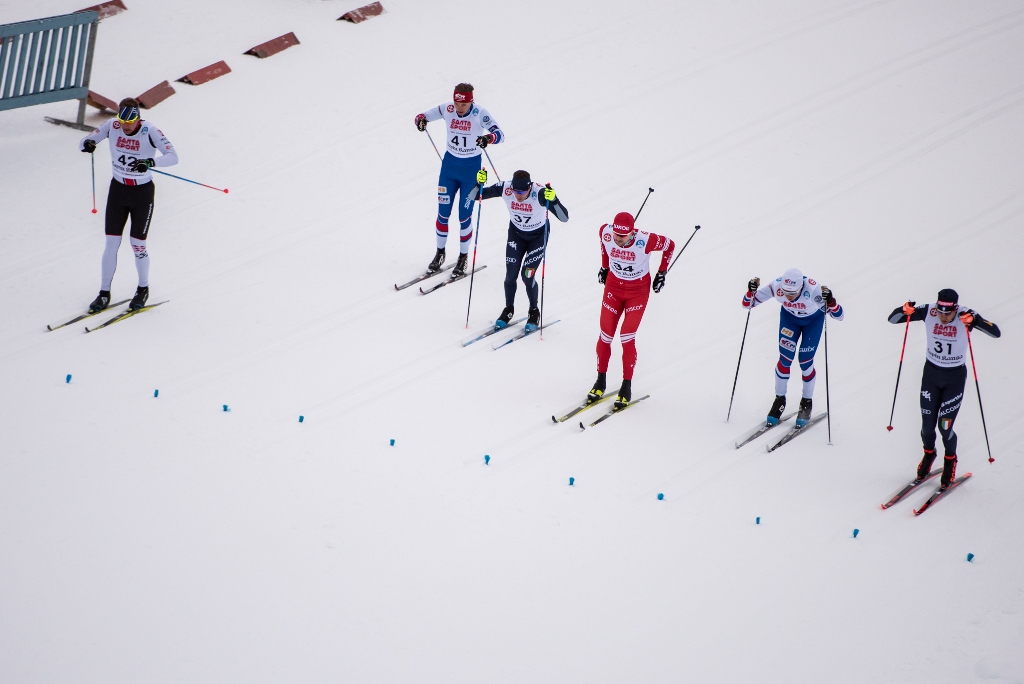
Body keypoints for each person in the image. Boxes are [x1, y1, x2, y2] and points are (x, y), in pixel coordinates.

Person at [887, 289, 1000, 489]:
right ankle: (929, 454)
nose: (943, 316)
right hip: (931, 375)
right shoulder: (929, 311)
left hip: (954, 378)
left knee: (945, 427)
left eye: (947, 314)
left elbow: (996, 332)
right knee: (927, 426)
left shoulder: (965, 314)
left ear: (955, 309)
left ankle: (950, 461)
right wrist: (904, 309)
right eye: (940, 312)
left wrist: (975, 321)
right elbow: (893, 319)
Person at [79, 98, 178, 312]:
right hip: (118, 190)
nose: (126, 126)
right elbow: (85, 141)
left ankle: (143, 288)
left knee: (137, 244)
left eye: (130, 122)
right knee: (111, 243)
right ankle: (104, 293)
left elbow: (173, 156)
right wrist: (89, 144)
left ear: (138, 118)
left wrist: (151, 163)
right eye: (123, 121)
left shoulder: (149, 130)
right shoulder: (112, 126)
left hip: (141, 193)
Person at [414, 83, 503, 277]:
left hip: (470, 170)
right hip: (449, 168)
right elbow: (422, 116)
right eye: (456, 103)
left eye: (463, 105)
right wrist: (420, 121)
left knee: (464, 216)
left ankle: (463, 257)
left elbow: (500, 134)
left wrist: (489, 138)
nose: (458, 108)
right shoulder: (447, 108)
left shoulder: (480, 112)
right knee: (442, 213)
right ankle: (440, 253)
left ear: (471, 101)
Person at [587, 212, 675, 409]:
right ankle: (600, 381)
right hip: (613, 288)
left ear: (632, 233)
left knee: (627, 336)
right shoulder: (606, 231)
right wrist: (604, 267)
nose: (618, 239)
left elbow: (670, 245)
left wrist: (662, 272)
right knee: (605, 335)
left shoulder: (647, 239)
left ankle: (626, 386)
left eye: (623, 236)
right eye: (616, 234)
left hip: (637, 292)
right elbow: (604, 245)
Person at [742, 268, 843, 427]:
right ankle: (779, 400)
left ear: (801, 288)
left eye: (793, 293)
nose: (788, 296)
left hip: (813, 322)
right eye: (785, 292)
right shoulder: (776, 286)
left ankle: (806, 402)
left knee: (805, 361)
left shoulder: (813, 290)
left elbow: (839, 315)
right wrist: (750, 291)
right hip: (790, 320)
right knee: (785, 359)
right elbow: (748, 304)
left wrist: (830, 301)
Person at [471, 169, 568, 331]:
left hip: (537, 237)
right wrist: (479, 183)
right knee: (510, 275)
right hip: (516, 235)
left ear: (529, 187)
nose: (518, 196)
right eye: (516, 191)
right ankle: (509, 309)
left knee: (527, 276)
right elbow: (475, 196)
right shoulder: (506, 188)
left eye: (522, 192)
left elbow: (564, 218)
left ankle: (534, 311)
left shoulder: (540, 193)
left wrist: (555, 200)